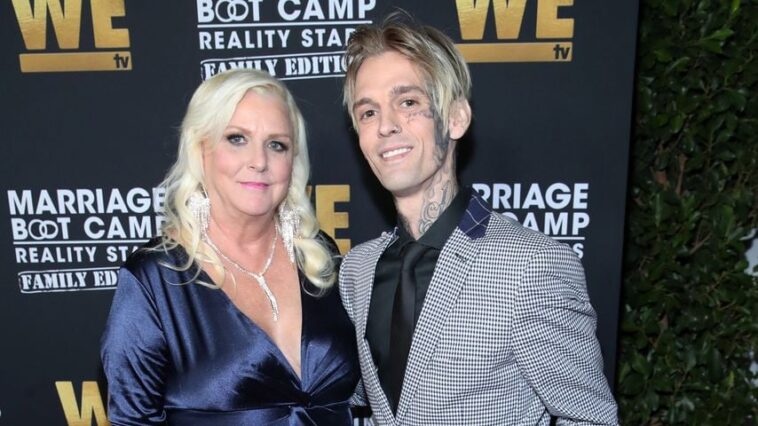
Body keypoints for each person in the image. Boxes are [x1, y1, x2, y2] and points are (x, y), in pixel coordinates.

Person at [338, 14, 619, 425]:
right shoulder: (357, 271)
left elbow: (590, 418)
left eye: (408, 103)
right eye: (368, 112)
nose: (385, 126)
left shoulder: (531, 266)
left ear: (456, 118)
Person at [101, 69, 359, 425]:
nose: (259, 161)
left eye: (277, 144)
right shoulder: (154, 281)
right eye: (237, 139)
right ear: (200, 149)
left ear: (293, 161)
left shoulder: (318, 256)